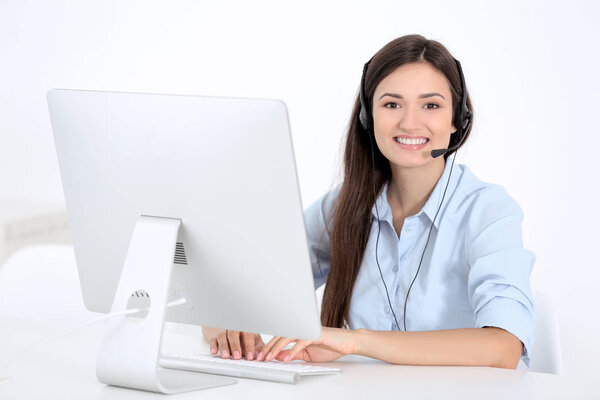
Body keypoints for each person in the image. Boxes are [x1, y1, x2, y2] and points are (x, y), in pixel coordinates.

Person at [202, 34, 535, 369]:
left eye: (431, 105)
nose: (410, 123)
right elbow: (250, 281)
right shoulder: (346, 205)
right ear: (367, 117)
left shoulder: (488, 210)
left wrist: (355, 341)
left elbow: (503, 347)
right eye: (392, 104)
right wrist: (221, 322)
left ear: (457, 119)